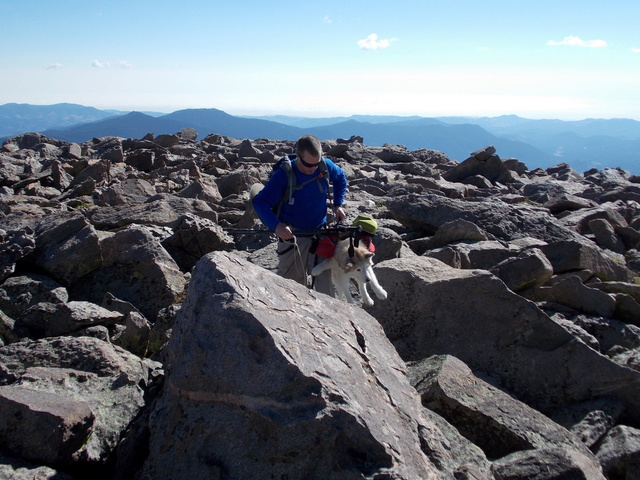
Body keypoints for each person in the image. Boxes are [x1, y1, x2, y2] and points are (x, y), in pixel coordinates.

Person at [252, 135, 348, 295]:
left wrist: (338, 204)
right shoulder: (284, 175)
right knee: (291, 288)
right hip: (293, 237)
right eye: (308, 164)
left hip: (320, 234)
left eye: (316, 164)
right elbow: (260, 202)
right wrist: (276, 226)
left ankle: (327, 317)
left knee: (325, 286)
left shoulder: (324, 166)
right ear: (297, 156)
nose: (313, 168)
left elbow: (341, 178)